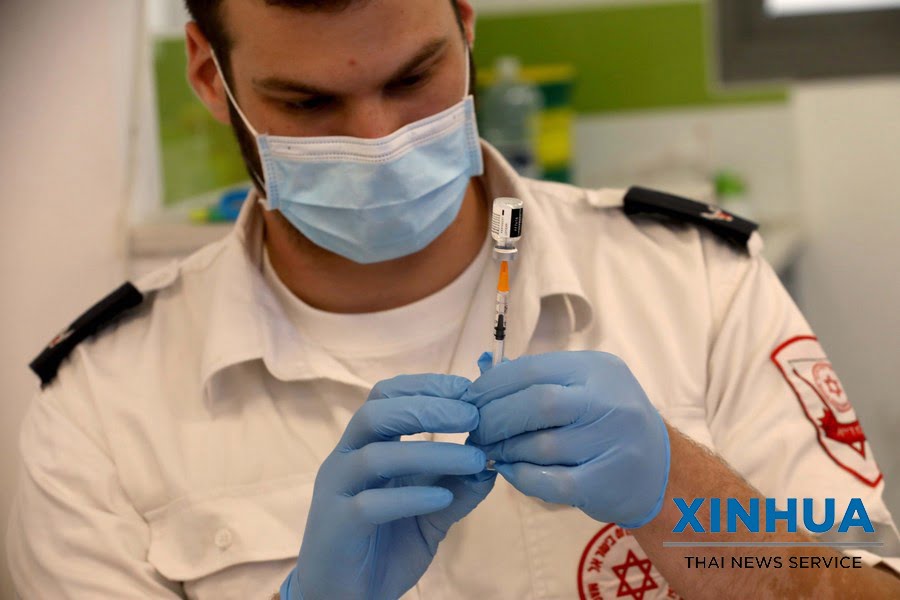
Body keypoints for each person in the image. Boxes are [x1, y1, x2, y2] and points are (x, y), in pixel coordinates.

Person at [7, 1, 900, 598]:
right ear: (211, 76)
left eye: (413, 78)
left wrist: (688, 501)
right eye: (308, 104)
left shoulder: (694, 282)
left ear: (465, 24)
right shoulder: (99, 412)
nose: (379, 139)